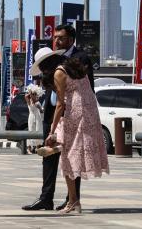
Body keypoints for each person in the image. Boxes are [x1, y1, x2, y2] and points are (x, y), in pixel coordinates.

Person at [22, 24, 95, 212]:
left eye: (60, 37)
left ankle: (72, 198)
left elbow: (86, 89)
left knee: (72, 156)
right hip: (52, 113)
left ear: (71, 39)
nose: (56, 41)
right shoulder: (51, 63)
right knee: (49, 155)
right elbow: (54, 91)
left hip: (71, 114)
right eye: (55, 37)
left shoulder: (81, 58)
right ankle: (46, 197)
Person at [33, 47, 109, 214]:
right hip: (89, 113)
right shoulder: (73, 67)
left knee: (67, 157)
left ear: (46, 67)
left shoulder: (59, 73)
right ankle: (75, 201)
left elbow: (60, 104)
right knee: (71, 155)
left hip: (76, 114)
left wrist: (52, 130)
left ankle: (73, 201)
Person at [25, 84, 44, 153]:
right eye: (33, 94)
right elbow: (26, 96)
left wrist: (40, 107)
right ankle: (30, 147)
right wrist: (31, 91)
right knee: (31, 130)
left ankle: (38, 147)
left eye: (35, 94)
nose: (34, 95)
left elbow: (41, 111)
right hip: (31, 117)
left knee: (38, 130)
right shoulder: (29, 101)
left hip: (38, 117)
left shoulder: (38, 102)